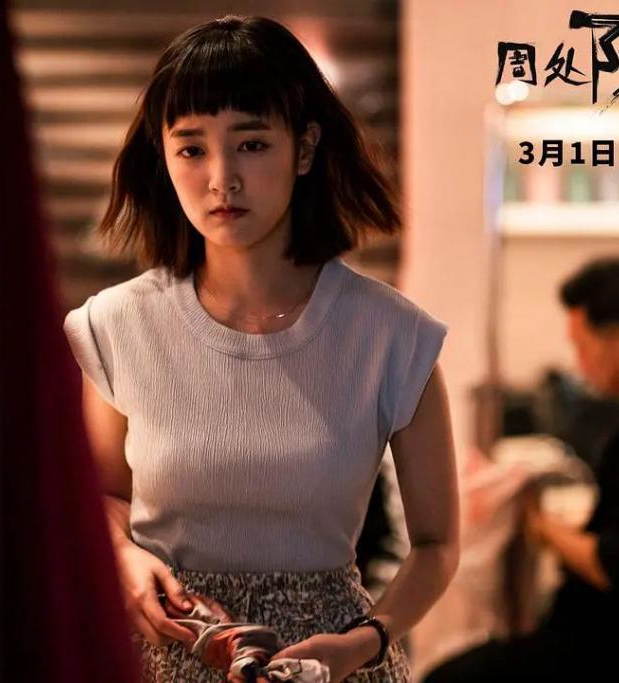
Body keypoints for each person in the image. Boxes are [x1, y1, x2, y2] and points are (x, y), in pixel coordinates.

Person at [62, 15, 460, 683]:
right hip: (171, 648)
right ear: (163, 157)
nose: (222, 178)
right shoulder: (118, 326)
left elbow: (438, 542)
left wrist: (365, 640)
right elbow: (103, 496)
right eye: (192, 149)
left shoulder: (392, 335)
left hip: (333, 660)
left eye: (251, 143)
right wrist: (125, 558)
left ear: (304, 148)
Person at [424, 258, 619, 682]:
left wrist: (542, 526)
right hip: (617, 637)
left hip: (616, 651)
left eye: (583, 347)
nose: (579, 364)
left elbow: (611, 565)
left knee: (446, 679)